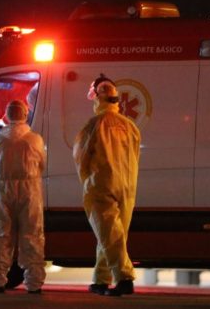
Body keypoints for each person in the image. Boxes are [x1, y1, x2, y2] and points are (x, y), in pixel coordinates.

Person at [73, 74, 141, 296]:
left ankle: (124, 279)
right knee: (113, 235)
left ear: (98, 99)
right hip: (127, 187)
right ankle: (101, 280)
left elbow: (80, 157)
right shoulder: (130, 126)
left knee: (110, 235)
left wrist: (87, 181)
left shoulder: (94, 125)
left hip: (102, 186)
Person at [0, 100, 46, 294]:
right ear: (25, 114)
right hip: (30, 190)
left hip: (3, 190)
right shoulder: (35, 139)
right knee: (32, 234)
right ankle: (34, 283)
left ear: (7, 115)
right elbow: (42, 165)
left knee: (1, 233)